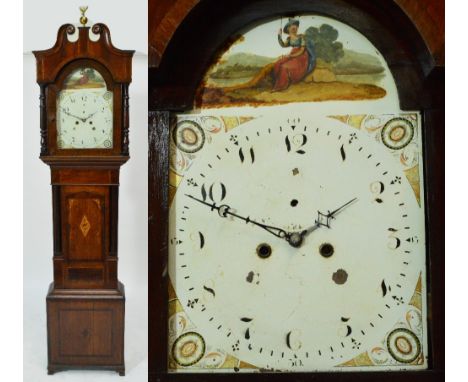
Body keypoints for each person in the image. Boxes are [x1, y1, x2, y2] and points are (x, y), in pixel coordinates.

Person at [273, 18, 316, 91]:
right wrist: (279, 36)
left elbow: (302, 50)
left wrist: (290, 56)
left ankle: (281, 86)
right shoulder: (289, 38)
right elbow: (283, 45)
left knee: (284, 67)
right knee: (278, 64)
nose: (294, 28)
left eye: (295, 26)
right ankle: (278, 81)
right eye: (292, 26)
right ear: (288, 29)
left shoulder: (301, 37)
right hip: (293, 54)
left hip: (302, 56)